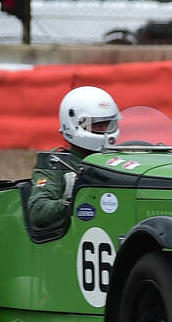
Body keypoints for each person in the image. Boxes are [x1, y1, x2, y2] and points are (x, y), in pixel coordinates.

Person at [27, 86, 121, 232]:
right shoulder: (57, 162)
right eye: (96, 124)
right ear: (73, 125)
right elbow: (38, 211)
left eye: (107, 124)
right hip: (71, 238)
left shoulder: (119, 158)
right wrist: (75, 200)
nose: (104, 130)